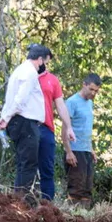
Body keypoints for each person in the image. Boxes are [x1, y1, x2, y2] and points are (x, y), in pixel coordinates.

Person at [0, 44, 53, 195]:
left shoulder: (20, 70)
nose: (45, 67)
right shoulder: (30, 73)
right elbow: (20, 99)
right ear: (40, 60)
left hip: (18, 121)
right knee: (28, 164)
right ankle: (22, 202)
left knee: (23, 162)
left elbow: (11, 98)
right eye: (45, 63)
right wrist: (6, 117)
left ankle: (18, 199)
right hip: (25, 122)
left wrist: (5, 117)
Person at [34, 46, 76, 201]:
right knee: (26, 167)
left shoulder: (52, 80)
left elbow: (60, 105)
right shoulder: (23, 75)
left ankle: (47, 207)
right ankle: (23, 206)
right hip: (27, 127)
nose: (45, 62)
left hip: (45, 128)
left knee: (47, 170)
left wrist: (69, 127)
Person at [63, 73, 102, 207]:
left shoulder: (90, 103)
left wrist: (91, 149)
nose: (93, 93)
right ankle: (73, 218)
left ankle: (85, 218)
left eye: (96, 91)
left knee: (87, 189)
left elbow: (86, 128)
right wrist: (68, 151)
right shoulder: (72, 102)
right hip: (75, 150)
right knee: (76, 188)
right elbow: (65, 128)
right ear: (84, 85)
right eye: (91, 89)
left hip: (85, 150)